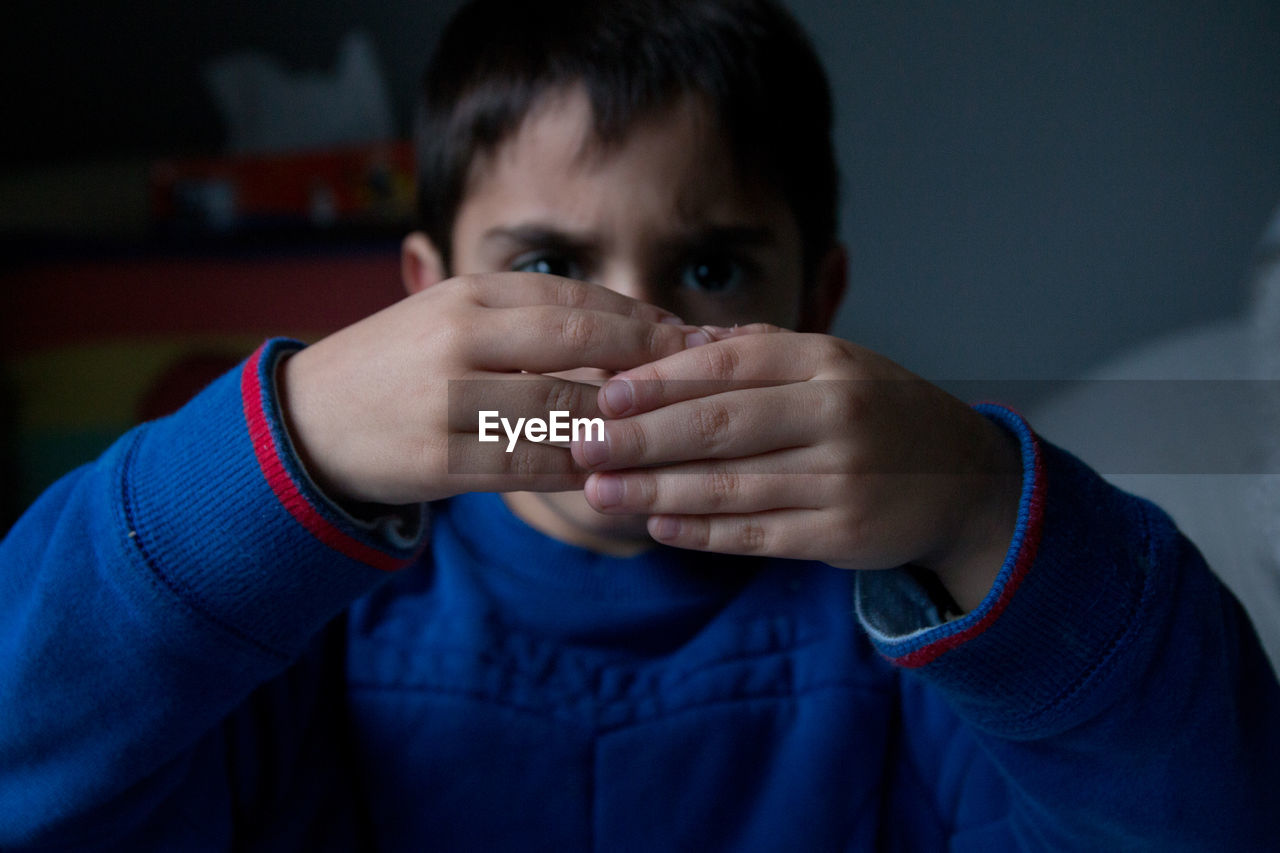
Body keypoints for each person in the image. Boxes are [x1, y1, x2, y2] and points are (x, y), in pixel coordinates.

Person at [1, 0, 1276, 849]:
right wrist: (286, 443)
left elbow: (1204, 814)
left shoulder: (900, 618)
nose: (620, 344)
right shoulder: (307, 630)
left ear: (814, 301)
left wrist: (983, 507)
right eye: (546, 270)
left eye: (711, 269)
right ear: (419, 295)